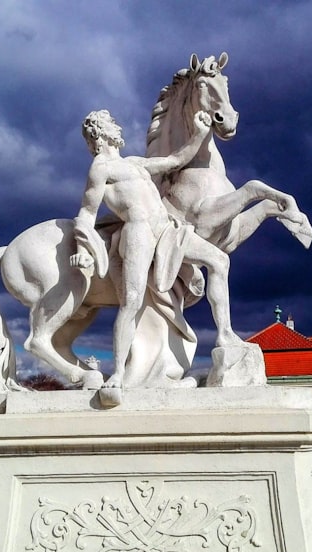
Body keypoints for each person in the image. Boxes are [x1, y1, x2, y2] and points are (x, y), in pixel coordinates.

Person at [71, 109, 243, 387]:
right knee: (132, 302)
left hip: (167, 229)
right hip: (139, 232)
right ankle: (118, 374)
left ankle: (225, 335)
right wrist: (83, 246)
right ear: (99, 135)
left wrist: (199, 133)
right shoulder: (101, 168)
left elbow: (176, 160)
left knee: (220, 261)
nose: (117, 127)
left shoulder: (135, 163)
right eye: (110, 124)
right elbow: (87, 212)